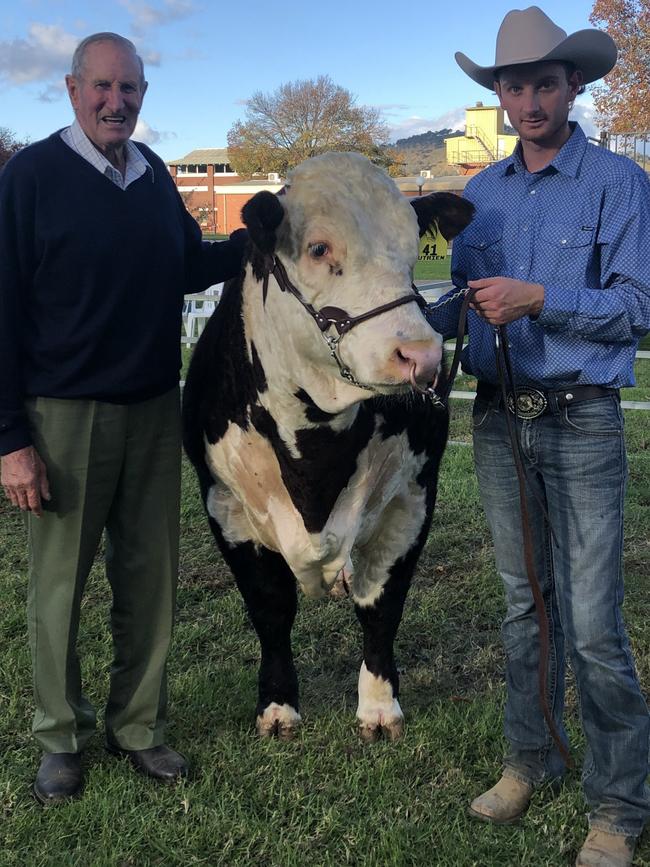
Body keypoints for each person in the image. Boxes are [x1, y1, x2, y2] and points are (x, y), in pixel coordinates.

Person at [427, 7, 650, 866]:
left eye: (543, 83)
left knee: (592, 623)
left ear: (575, 85)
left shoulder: (619, 183)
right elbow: (459, 301)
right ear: (499, 94)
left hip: (583, 418)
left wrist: (539, 300)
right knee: (526, 609)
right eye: (512, 85)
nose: (527, 99)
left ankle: (620, 805)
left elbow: (639, 306)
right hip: (496, 419)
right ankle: (532, 756)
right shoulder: (479, 193)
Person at [0, 33, 246, 805]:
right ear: (72, 90)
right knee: (58, 587)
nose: (117, 103)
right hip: (63, 416)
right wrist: (10, 441)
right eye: (102, 88)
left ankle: (138, 727)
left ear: (144, 95)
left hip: (150, 408)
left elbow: (183, 263)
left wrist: (254, 240)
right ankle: (59, 736)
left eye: (130, 90)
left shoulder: (153, 176)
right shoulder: (32, 177)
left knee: (150, 579)